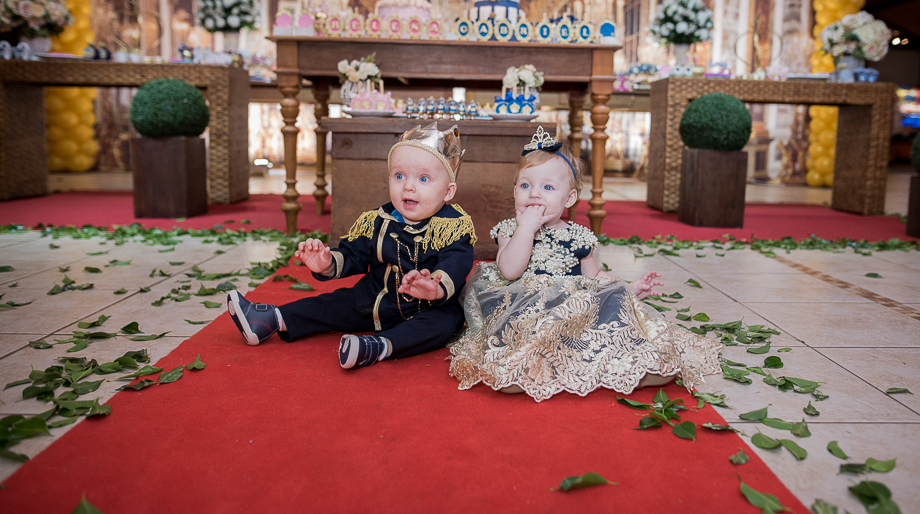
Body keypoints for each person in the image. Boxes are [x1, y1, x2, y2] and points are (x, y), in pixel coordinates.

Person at [449, 127, 722, 401]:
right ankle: (525, 366)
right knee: (527, 332)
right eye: (525, 185)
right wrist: (526, 230)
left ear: (569, 199)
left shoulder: (578, 236)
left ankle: (632, 364)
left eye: (547, 187)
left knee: (608, 307)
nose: (534, 194)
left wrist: (628, 287)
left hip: (572, 308)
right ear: (514, 191)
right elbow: (509, 270)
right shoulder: (510, 230)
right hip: (524, 305)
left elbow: (596, 277)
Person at [229, 122, 476, 370]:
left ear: (448, 191)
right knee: (332, 304)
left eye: (423, 178)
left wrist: (434, 287)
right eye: (399, 176)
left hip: (429, 306)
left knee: (444, 324)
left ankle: (377, 347)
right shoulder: (376, 220)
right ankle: (268, 319)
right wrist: (326, 263)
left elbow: (456, 262)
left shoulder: (454, 226)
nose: (408, 186)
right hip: (374, 299)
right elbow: (353, 254)